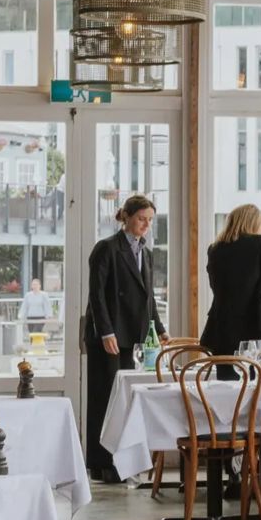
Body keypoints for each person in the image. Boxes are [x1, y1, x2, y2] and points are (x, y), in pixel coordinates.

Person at [82, 194, 167, 482]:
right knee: (104, 399)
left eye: (150, 221)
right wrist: (105, 331)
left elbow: (148, 296)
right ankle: (100, 464)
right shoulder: (106, 248)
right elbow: (96, 295)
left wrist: (161, 328)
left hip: (136, 334)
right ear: (127, 217)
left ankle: (123, 464)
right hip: (109, 334)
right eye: (142, 219)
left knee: (127, 402)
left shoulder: (147, 251)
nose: (146, 225)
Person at [200, 204, 261, 370]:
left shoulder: (214, 249)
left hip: (222, 328)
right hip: (256, 327)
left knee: (227, 387)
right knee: (259, 386)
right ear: (252, 223)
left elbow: (216, 287)